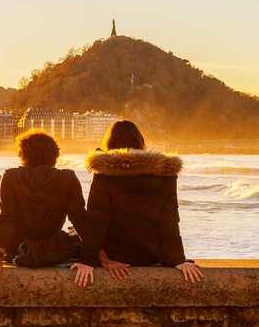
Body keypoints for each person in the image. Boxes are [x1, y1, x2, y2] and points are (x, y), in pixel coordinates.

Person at [69, 120, 204, 286]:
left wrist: (87, 261)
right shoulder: (165, 173)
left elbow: (98, 221)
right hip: (152, 255)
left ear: (109, 143)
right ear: (140, 142)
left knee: (72, 234)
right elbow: (169, 219)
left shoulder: (105, 173)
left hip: (116, 256)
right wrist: (178, 259)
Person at [0, 129, 89, 282]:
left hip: (9, 249)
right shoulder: (68, 178)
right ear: (55, 155)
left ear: (22, 155)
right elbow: (80, 219)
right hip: (42, 246)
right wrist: (99, 258)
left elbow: (7, 218)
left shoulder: (11, 176)